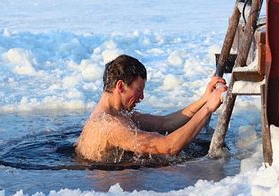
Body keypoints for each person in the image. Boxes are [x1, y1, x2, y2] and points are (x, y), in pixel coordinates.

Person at [75, 54, 227, 162]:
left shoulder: (117, 114)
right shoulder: (111, 126)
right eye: (139, 90)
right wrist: (207, 109)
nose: (142, 97)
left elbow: (165, 123)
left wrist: (204, 99)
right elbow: (169, 147)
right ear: (120, 86)